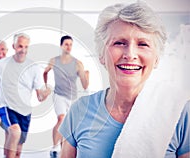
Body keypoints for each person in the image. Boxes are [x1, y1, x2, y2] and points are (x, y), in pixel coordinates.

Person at [59, 2, 190, 158]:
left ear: (156, 59)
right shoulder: (79, 111)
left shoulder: (178, 113)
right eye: (119, 43)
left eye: (143, 44)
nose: (130, 54)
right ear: (101, 54)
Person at [0, 33, 51, 158]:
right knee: (15, 132)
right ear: (14, 46)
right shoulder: (2, 64)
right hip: (6, 106)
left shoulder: (34, 67)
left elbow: (39, 97)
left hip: (25, 111)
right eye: (20, 46)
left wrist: (46, 94)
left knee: (18, 148)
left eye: (26, 47)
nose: (23, 50)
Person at [43, 35, 89, 157]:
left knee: (68, 125)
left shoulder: (77, 63)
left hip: (72, 97)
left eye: (70, 44)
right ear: (61, 45)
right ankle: (54, 147)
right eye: (66, 44)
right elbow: (45, 72)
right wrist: (46, 85)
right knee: (61, 119)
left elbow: (84, 85)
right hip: (59, 94)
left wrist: (85, 75)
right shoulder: (54, 60)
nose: (69, 47)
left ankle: (64, 149)